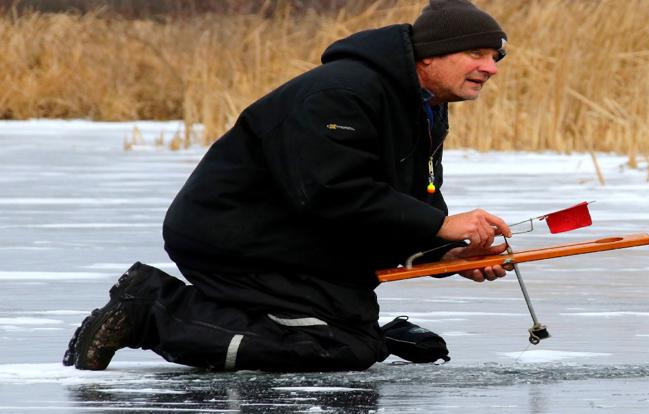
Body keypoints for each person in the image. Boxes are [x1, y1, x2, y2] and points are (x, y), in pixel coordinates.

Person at [63, 0, 514, 372]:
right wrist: (442, 227)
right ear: (430, 54)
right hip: (237, 239)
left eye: (495, 57)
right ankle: (151, 311)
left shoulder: (422, 105)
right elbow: (333, 193)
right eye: (477, 53)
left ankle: (329, 326)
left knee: (350, 334)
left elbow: (406, 198)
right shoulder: (343, 93)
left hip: (298, 242)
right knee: (338, 348)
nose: (490, 67)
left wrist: (444, 254)